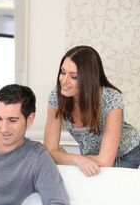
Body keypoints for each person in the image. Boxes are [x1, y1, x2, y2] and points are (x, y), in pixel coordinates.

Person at [44, 45, 140, 176]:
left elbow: (105, 160)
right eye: (62, 72)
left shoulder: (111, 99)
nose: (64, 81)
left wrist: (64, 157)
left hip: (126, 155)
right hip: (90, 157)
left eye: (74, 76)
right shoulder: (57, 96)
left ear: (88, 79)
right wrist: (76, 159)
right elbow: (49, 151)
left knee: (105, 193)